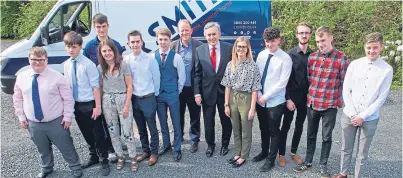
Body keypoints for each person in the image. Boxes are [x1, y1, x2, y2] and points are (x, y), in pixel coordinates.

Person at [13, 47, 83, 178]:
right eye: (34, 60)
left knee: (66, 146)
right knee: (42, 148)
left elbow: (68, 98)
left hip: (56, 121)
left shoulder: (57, 77)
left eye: (41, 60)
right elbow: (17, 97)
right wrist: (21, 116)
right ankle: (47, 168)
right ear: (29, 60)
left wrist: (68, 116)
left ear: (46, 60)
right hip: (33, 122)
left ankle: (75, 167)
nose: (37, 62)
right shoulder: (22, 77)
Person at [332, 32, 393, 178]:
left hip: (370, 117)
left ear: (381, 47)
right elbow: (346, 89)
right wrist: (354, 114)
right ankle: (343, 172)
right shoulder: (355, 64)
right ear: (364, 47)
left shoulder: (387, 69)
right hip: (350, 114)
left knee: (362, 152)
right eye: (369, 47)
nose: (372, 51)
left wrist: (362, 116)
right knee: (346, 147)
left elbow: (382, 97)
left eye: (375, 48)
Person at [294, 26, 349, 178]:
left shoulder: (341, 58)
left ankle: (323, 165)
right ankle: (309, 160)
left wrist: (343, 103)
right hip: (312, 103)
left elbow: (346, 84)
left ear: (331, 38)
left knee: (326, 137)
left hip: (330, 105)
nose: (320, 44)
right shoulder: (312, 57)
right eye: (318, 41)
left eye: (323, 40)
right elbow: (309, 79)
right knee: (310, 135)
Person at [63, 31, 110, 176]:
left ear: (81, 46)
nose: (71, 49)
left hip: (90, 104)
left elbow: (96, 87)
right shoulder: (67, 64)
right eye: (69, 47)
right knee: (86, 133)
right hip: (77, 105)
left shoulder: (88, 64)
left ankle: (104, 160)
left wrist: (97, 107)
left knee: (97, 134)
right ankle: (94, 156)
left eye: (74, 47)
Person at [82, 13, 126, 162]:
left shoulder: (116, 45)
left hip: (115, 89)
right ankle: (110, 148)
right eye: (98, 27)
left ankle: (119, 142)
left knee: (117, 118)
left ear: (108, 26)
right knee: (105, 120)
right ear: (94, 28)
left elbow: (121, 68)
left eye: (104, 26)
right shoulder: (89, 47)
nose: (101, 29)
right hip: (99, 90)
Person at [253, 27, 292, 172]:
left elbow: (282, 83)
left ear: (278, 40)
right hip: (260, 99)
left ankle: (271, 160)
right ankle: (264, 152)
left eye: (272, 41)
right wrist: (258, 94)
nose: (269, 45)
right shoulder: (262, 55)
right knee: (263, 128)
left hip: (275, 102)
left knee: (274, 131)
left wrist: (265, 96)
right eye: (267, 42)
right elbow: (257, 75)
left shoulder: (285, 58)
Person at [97, 40, 138, 172]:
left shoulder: (123, 65)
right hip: (107, 101)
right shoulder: (100, 68)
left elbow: (130, 86)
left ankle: (132, 157)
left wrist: (126, 105)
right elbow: (99, 88)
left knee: (127, 131)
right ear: (101, 53)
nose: (107, 53)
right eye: (104, 51)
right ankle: (120, 156)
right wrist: (101, 105)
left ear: (114, 51)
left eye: (109, 50)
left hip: (123, 99)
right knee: (113, 131)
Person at [221, 36, 261, 168]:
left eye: (244, 47)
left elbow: (255, 88)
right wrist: (226, 104)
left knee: (246, 129)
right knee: (236, 128)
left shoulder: (253, 66)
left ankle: (244, 155)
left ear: (248, 48)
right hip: (233, 98)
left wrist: (252, 108)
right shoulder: (230, 64)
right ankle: (237, 152)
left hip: (246, 98)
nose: (241, 49)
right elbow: (227, 85)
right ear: (235, 48)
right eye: (239, 47)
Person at [194, 22, 233, 157]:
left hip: (225, 94)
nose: (211, 37)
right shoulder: (200, 50)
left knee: (226, 121)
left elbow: (234, 71)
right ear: (205, 36)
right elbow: (197, 73)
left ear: (219, 34)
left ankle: (225, 144)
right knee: (208, 122)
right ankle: (210, 145)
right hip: (207, 93)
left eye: (214, 34)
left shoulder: (229, 48)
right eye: (209, 35)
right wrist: (197, 93)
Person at [123, 30, 161, 166]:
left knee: (152, 127)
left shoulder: (150, 59)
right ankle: (145, 151)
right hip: (134, 99)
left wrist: (154, 95)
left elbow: (157, 79)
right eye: (132, 42)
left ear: (142, 42)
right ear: (128, 44)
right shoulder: (126, 60)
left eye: (137, 41)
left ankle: (154, 153)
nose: (135, 44)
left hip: (148, 97)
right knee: (140, 127)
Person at [278, 22, 313, 167]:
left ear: (310, 35)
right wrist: (287, 98)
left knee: (299, 126)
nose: (304, 35)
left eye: (307, 33)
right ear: (296, 35)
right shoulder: (289, 55)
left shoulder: (314, 56)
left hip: (306, 99)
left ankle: (293, 151)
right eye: (301, 33)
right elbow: (283, 79)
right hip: (291, 98)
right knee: (286, 125)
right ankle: (281, 154)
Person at [171, 19, 203, 153]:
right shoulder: (172, 46)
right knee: (178, 115)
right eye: (181, 30)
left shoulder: (200, 46)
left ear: (191, 30)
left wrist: (199, 91)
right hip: (178, 89)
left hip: (193, 88)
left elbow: (201, 70)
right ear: (178, 32)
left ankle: (194, 139)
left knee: (195, 115)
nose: (184, 32)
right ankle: (179, 137)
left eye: (186, 29)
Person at [153, 28, 186, 161]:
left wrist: (176, 91)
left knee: (176, 122)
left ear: (170, 40)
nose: (163, 42)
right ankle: (166, 144)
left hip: (173, 94)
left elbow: (182, 78)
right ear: (157, 40)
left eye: (165, 39)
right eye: (160, 39)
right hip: (159, 94)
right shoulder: (153, 56)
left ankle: (177, 148)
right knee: (162, 121)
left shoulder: (176, 57)